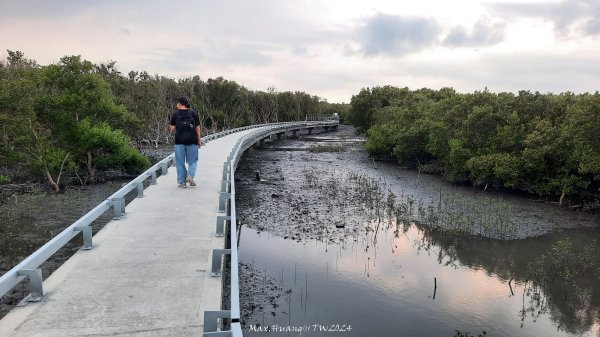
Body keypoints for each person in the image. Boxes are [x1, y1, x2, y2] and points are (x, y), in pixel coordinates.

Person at [169, 96, 201, 188]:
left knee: (180, 162)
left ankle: (182, 182)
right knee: (193, 161)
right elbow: (198, 129)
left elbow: (172, 128)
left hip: (179, 141)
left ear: (180, 103)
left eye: (177, 103)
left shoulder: (175, 114)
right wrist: (198, 141)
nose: (176, 105)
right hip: (192, 140)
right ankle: (190, 176)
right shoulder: (193, 113)